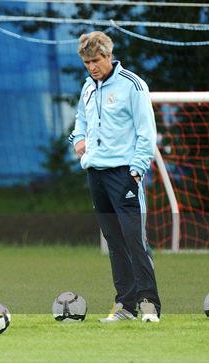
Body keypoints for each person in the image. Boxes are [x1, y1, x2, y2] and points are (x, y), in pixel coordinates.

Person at [69, 31, 161, 323]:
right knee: (114, 241)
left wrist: (137, 168)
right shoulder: (87, 87)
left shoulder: (133, 85)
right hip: (95, 173)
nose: (91, 67)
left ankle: (149, 305)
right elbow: (80, 122)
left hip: (124, 174)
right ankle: (125, 306)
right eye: (86, 62)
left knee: (135, 239)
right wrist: (78, 142)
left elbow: (147, 131)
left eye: (95, 60)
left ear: (108, 56)